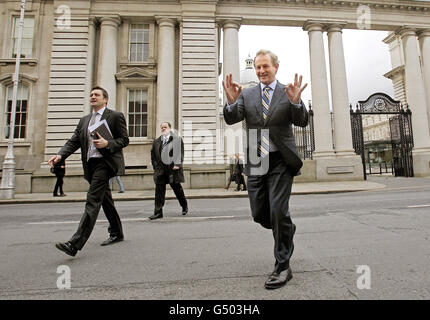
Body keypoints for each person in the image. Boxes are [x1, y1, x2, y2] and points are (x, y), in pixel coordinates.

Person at [222, 49, 308, 289]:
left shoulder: (287, 91)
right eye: (258, 67)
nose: (261, 71)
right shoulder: (247, 94)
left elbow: (302, 120)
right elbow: (232, 119)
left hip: (281, 159)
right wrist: (230, 102)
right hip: (256, 159)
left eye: (265, 67)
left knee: (278, 211)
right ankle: (286, 227)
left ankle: (282, 266)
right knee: (260, 214)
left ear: (275, 67)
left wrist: (296, 103)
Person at [48, 86, 129, 257]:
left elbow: (124, 140)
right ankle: (116, 232)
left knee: (92, 200)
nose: (93, 97)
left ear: (105, 99)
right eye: (91, 95)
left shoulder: (114, 116)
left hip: (105, 163)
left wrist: (108, 144)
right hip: (90, 164)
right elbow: (73, 141)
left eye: (97, 95)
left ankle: (74, 243)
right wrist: (60, 155)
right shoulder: (85, 120)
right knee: (105, 200)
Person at [149, 122, 188, 220]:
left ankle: (184, 205)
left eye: (165, 127)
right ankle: (158, 212)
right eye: (162, 127)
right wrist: (155, 167)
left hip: (172, 169)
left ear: (170, 128)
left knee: (177, 189)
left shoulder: (177, 139)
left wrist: (177, 164)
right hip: (161, 170)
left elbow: (180, 153)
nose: (163, 129)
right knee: (159, 192)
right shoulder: (157, 141)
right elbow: (153, 155)